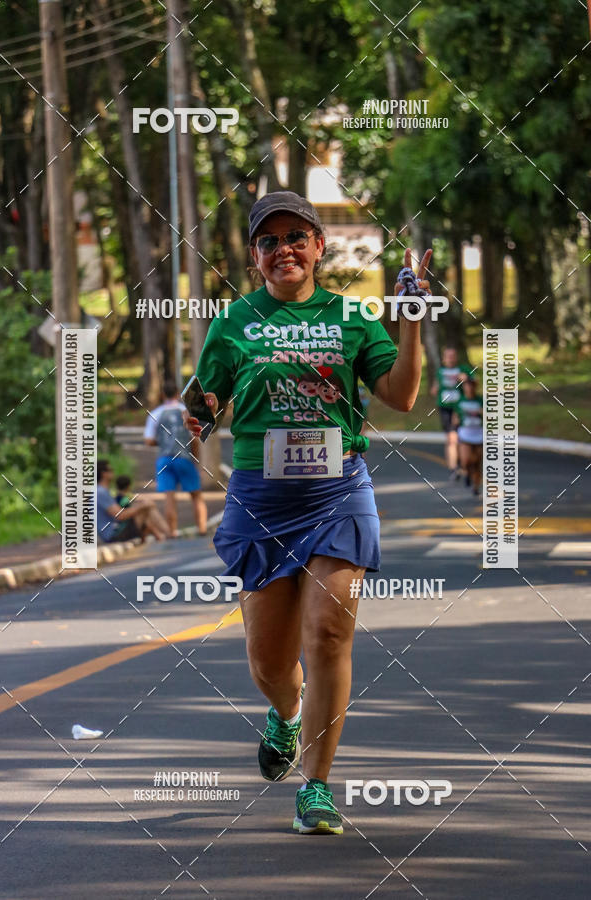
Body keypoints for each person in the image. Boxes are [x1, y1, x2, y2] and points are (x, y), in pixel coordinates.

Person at [184, 190, 432, 835]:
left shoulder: (353, 318)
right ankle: (286, 715)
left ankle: (316, 786)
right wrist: (196, 413)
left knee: (327, 632)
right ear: (255, 256)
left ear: (319, 246)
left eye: (297, 236)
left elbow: (402, 396)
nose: (284, 249)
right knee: (269, 663)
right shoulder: (233, 323)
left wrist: (410, 322)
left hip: (337, 490)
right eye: (269, 241)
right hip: (261, 497)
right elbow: (206, 400)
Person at [144, 379, 208, 537]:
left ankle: (171, 531)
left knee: (169, 496)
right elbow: (194, 439)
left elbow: (149, 440)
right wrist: (196, 459)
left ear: (162, 394)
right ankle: (201, 528)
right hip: (184, 457)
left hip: (164, 459)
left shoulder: (156, 413)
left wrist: (164, 441)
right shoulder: (185, 411)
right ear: (178, 393)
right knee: (196, 494)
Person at [96, 459, 169, 543]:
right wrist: (142, 506)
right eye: (111, 470)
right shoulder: (101, 492)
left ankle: (161, 535)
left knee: (145, 510)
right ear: (104, 473)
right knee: (146, 508)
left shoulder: (102, 491)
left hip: (115, 531)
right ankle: (167, 533)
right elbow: (120, 515)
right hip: (113, 534)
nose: (113, 472)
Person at [430, 346, 472, 479]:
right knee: (451, 438)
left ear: (456, 357)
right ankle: (454, 468)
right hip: (445, 408)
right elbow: (434, 389)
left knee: (462, 438)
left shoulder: (463, 370)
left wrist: (466, 380)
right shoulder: (440, 371)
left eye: (453, 356)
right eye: (448, 356)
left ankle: (463, 465)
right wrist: (435, 390)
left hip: (461, 408)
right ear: (444, 358)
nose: (450, 359)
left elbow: (472, 387)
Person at [454, 377, 484, 495]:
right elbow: (455, 417)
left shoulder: (480, 400)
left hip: (479, 433)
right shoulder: (460, 401)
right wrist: (455, 423)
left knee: (477, 462)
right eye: (467, 385)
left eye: (471, 385)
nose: (469, 388)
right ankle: (466, 472)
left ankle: (476, 487)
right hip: (465, 433)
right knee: (466, 460)